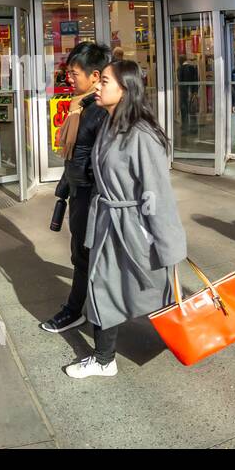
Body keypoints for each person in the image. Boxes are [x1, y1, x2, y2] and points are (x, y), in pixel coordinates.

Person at [65, 60, 187, 378]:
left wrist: (168, 245)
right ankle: (105, 359)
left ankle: (109, 357)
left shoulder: (141, 135)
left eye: (104, 81)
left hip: (131, 225)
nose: (98, 86)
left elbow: (157, 193)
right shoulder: (108, 122)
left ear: (125, 89)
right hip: (107, 221)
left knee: (145, 287)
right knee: (103, 286)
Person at [39, 42, 111, 334]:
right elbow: (74, 154)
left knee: (85, 256)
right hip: (79, 190)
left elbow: (104, 160)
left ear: (95, 76)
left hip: (94, 196)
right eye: (68, 71)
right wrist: (66, 185)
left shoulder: (99, 110)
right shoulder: (78, 105)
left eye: (74, 72)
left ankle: (77, 312)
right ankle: (81, 309)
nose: (69, 77)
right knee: (80, 254)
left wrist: (87, 184)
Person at [177, 54, 199, 136]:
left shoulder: (180, 69)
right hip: (192, 92)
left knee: (184, 111)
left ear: (180, 61)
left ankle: (185, 129)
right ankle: (194, 129)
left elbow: (179, 80)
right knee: (192, 111)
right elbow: (196, 80)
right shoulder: (193, 67)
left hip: (184, 93)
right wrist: (195, 92)